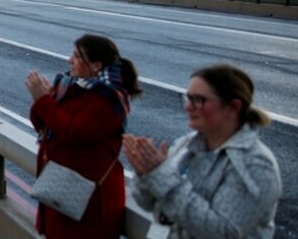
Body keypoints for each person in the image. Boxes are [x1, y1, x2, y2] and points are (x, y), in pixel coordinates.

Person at [123, 65, 281, 238]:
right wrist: (146, 174)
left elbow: (222, 232)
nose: (189, 106)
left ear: (233, 107)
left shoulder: (255, 164)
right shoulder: (188, 144)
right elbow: (149, 204)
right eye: (187, 98)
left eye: (199, 100)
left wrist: (161, 176)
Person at [24, 34, 141, 238]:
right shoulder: (69, 86)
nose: (70, 60)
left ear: (96, 65)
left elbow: (76, 132)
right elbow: (43, 124)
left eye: (77, 56)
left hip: (89, 201)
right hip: (61, 190)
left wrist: (44, 100)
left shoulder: (108, 99)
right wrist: (42, 99)